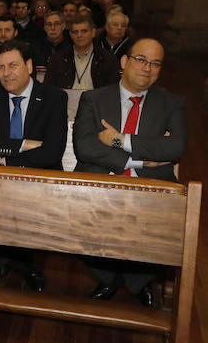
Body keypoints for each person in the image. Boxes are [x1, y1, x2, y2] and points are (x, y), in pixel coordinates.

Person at [73, 38, 188, 308]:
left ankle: (139, 281)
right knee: (75, 221)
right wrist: (141, 161)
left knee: (162, 228)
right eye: (141, 59)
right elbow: (85, 147)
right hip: (102, 183)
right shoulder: (94, 98)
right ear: (124, 62)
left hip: (152, 189)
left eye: (155, 63)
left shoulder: (173, 103)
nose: (147, 68)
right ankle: (109, 277)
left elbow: (175, 147)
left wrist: (120, 140)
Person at [0, 39, 68, 292]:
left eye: (13, 65)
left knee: (24, 214)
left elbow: (51, 153)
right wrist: (24, 145)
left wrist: (3, 152)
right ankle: (21, 265)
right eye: (1, 67)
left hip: (37, 182)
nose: (6, 73)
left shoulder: (54, 98)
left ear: (29, 65)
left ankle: (11, 261)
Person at [45, 16, 119, 90]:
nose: (79, 35)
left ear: (93, 33)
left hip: (96, 100)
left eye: (84, 31)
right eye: (75, 32)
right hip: (65, 99)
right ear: (70, 34)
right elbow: (48, 88)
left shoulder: (108, 58)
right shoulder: (57, 58)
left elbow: (113, 90)